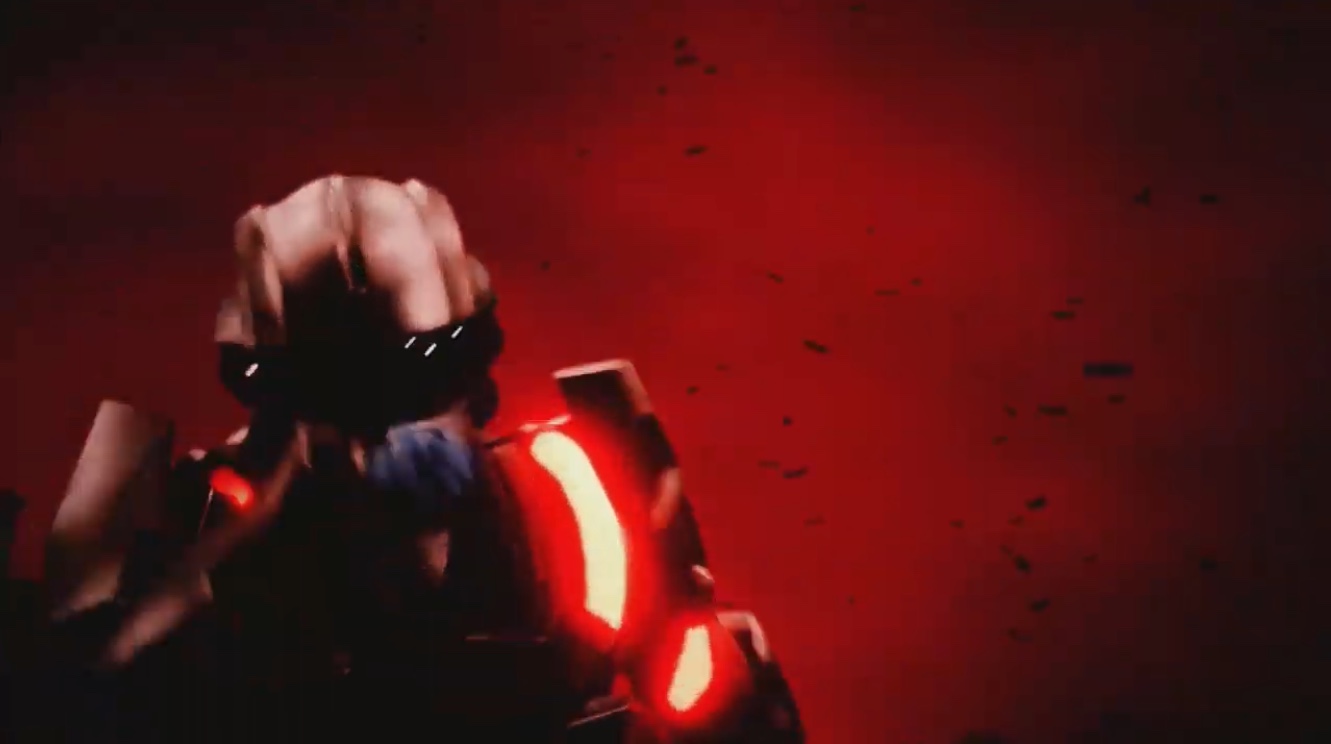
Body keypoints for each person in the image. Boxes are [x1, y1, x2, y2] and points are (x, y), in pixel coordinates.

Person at [103, 176, 505, 672]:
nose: (373, 440)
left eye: (411, 383)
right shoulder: (207, 506)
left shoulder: (530, 493)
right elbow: (111, 663)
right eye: (339, 391)